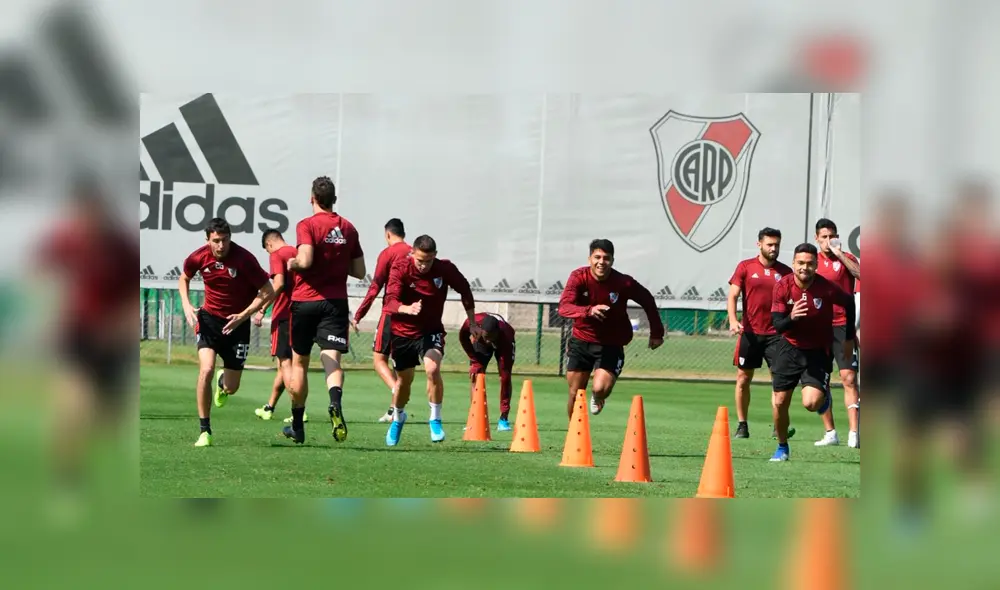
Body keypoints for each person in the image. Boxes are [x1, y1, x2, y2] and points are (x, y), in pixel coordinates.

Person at [281, 176, 365, 445]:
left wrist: (292, 263)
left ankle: (297, 426)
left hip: (305, 301)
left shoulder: (306, 225)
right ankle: (334, 402)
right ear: (334, 200)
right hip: (335, 302)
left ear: (312, 198)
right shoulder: (349, 229)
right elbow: (359, 271)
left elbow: (305, 260)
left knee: (299, 363)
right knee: (332, 360)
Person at [178, 218, 274, 447]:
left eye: (225, 240)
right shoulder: (198, 257)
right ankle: (205, 430)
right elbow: (184, 278)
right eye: (216, 241)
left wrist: (244, 314)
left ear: (230, 238)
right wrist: (186, 304)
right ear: (208, 240)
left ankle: (223, 384)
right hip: (209, 321)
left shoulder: (245, 259)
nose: (221, 246)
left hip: (237, 325)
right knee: (206, 369)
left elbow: (268, 290)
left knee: (232, 387)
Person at [381, 235, 483, 446]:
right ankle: (398, 418)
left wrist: (472, 322)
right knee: (404, 382)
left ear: (435, 256)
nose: (424, 265)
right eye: (420, 261)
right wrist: (406, 309)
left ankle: (435, 419)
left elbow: (465, 290)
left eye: (428, 261)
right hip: (402, 333)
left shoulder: (444, 269)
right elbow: (389, 302)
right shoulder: (400, 268)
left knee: (432, 368)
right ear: (412, 254)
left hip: (430, 331)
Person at [557, 239, 664, 419]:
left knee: (600, 388)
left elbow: (647, 299)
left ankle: (599, 397)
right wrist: (588, 311)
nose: (601, 262)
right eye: (597, 257)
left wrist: (656, 333)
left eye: (606, 258)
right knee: (575, 392)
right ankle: (573, 437)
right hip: (581, 341)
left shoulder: (622, 282)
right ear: (589, 258)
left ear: (612, 260)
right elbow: (564, 307)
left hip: (611, 344)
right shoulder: (578, 277)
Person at [769, 243, 856, 462]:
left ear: (816, 265)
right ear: (793, 264)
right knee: (779, 402)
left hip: (817, 351)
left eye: (809, 263)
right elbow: (778, 325)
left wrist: (847, 338)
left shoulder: (826, 287)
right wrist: (792, 318)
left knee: (811, 403)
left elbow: (849, 302)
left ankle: (821, 394)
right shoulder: (783, 287)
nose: (804, 268)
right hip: (789, 347)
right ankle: (782, 447)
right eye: (800, 263)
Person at [726, 227, 795, 439]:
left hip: (777, 335)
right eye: (770, 245)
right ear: (759, 244)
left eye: (777, 245)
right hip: (751, 333)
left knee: (779, 382)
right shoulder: (745, 267)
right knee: (743, 379)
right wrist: (733, 320)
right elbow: (733, 295)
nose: (774, 248)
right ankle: (742, 425)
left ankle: (778, 425)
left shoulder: (786, 272)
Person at [350, 218, 411, 423]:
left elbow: (375, 287)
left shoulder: (388, 253)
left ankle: (398, 395)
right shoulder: (414, 253)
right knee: (399, 364)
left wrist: (359, 314)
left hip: (391, 313)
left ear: (388, 234)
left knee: (379, 360)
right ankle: (394, 408)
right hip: (411, 316)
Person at [813, 218, 861, 448]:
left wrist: (840, 254)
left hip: (843, 326)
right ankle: (830, 432)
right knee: (821, 382)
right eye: (824, 237)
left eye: (831, 236)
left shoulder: (847, 259)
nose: (828, 241)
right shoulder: (811, 262)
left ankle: (854, 433)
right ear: (816, 239)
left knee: (849, 378)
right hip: (819, 327)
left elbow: (862, 276)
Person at [252, 229, 306, 423]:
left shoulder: (277, 255)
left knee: (286, 365)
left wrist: (262, 308)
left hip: (284, 315)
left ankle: (299, 409)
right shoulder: (299, 253)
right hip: (302, 314)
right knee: (288, 367)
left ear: (269, 245)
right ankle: (270, 407)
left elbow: (278, 284)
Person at [459, 313, 516, 431]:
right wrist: (474, 360)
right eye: (486, 337)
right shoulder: (471, 324)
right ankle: (476, 417)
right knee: (476, 374)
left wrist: (489, 338)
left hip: (503, 343)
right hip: (480, 341)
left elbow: (505, 374)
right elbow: (463, 337)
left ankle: (503, 418)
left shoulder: (506, 334)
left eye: (491, 337)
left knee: (505, 377)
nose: (489, 341)